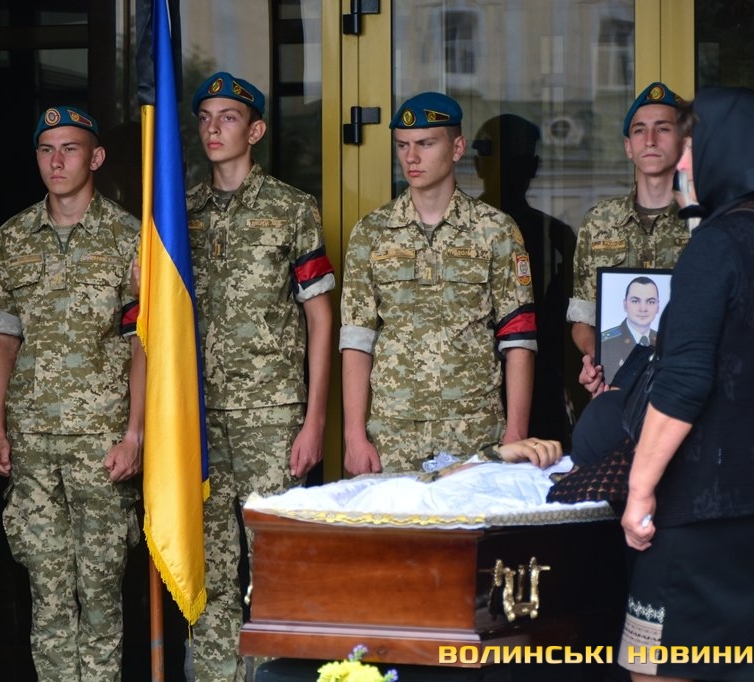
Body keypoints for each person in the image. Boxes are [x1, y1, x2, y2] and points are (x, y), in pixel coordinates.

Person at [620, 87, 754, 682]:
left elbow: (685, 380)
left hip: (701, 508)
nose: (682, 161)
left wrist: (640, 490)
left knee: (654, 667)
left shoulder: (715, 244)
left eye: (691, 146)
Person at [185, 71, 335, 682]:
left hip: (272, 417)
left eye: (228, 117)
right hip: (197, 417)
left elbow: (320, 319)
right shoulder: (180, 213)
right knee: (210, 573)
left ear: (255, 130)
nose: (214, 128)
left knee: (276, 568)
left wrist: (314, 420)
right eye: (205, 117)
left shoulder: (291, 209)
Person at [0, 105, 144, 681]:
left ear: (96, 158)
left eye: (70, 148)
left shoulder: (130, 236)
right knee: (47, 594)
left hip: (101, 441)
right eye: (46, 149)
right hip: (31, 441)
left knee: (101, 594)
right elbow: (3, 337)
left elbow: (143, 343)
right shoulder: (13, 236)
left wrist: (135, 434)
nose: (56, 161)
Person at [340, 91, 537, 476]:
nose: (411, 157)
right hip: (391, 433)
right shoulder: (372, 232)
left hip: (475, 430)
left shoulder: (495, 230)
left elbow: (519, 337)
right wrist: (353, 436)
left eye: (426, 144)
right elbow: (357, 338)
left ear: (458, 147)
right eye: (402, 145)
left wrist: (516, 433)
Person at [568, 82, 688, 398]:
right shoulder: (598, 222)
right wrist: (596, 357)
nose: (650, 140)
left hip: (687, 391)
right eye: (639, 131)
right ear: (628, 147)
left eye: (663, 129)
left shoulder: (703, 221)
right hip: (616, 390)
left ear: (684, 141)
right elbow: (582, 318)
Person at [473, 113, 579, 443]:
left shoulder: (557, 237)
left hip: (542, 386)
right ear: (478, 165)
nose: (506, 170)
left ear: (532, 167)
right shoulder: (456, 234)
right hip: (466, 392)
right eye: (498, 158)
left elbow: (572, 330)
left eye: (515, 159)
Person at [599, 275, 659, 385]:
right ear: (625, 305)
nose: (643, 309)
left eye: (650, 302)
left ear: (658, 307)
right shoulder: (605, 343)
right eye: (635, 301)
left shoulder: (665, 342)